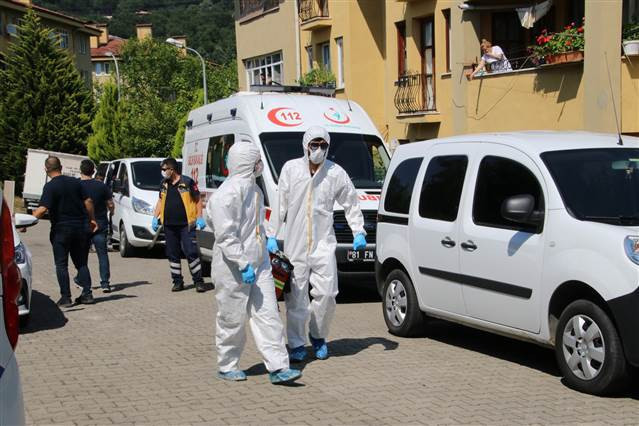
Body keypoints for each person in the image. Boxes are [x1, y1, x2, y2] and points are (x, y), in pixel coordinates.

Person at [206, 142, 302, 385]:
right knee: (232, 317)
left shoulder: (255, 190)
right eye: (258, 161)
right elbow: (226, 236)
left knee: (269, 315)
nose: (261, 165)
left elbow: (256, 227)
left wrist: (267, 242)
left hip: (259, 264)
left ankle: (279, 367)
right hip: (231, 267)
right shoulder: (226, 195)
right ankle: (227, 365)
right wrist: (242, 263)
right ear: (248, 163)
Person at [272, 126, 367, 362]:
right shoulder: (291, 169)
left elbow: (351, 202)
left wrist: (358, 231)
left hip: (323, 243)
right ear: (306, 145)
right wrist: (272, 234)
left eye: (323, 145)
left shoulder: (335, 173)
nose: (318, 149)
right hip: (295, 243)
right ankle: (296, 344)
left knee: (327, 293)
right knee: (296, 297)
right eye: (314, 145)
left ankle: (318, 335)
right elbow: (280, 204)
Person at [32, 156, 98, 307]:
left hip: (61, 230)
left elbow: (42, 209)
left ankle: (66, 297)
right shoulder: (76, 182)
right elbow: (88, 201)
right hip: (80, 228)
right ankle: (87, 295)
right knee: (81, 263)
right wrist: (92, 219)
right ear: (61, 167)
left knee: (61, 265)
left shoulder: (50, 187)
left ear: (45, 169)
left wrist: (27, 222)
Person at [152, 158, 207, 293]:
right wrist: (155, 216)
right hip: (169, 225)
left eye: (164, 169)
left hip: (186, 225)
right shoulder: (163, 184)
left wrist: (199, 217)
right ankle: (177, 281)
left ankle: (198, 281)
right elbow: (160, 200)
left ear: (172, 170)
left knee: (191, 252)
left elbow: (198, 199)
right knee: (172, 254)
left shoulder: (187, 182)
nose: (162, 172)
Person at [78, 160, 114, 293]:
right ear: (93, 171)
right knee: (102, 254)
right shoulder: (101, 186)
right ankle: (105, 283)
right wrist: (112, 212)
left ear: (80, 170)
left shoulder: (76, 185)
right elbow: (110, 204)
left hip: (83, 224)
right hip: (100, 223)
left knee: (82, 255)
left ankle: (82, 280)